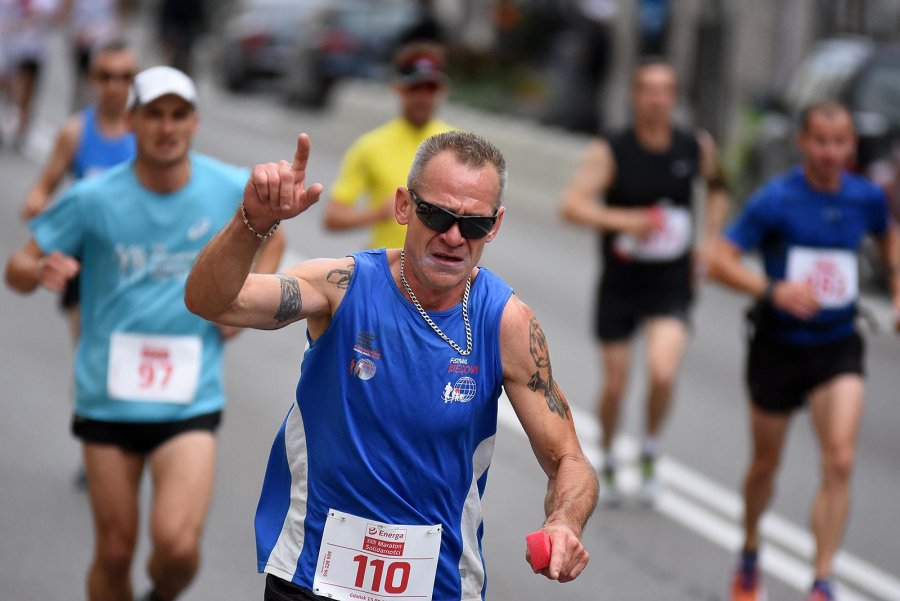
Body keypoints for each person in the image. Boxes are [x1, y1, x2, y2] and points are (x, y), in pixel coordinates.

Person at [185, 130, 599, 600]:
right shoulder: (342, 287)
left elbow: (569, 459)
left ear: (496, 224)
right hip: (312, 575)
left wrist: (564, 521)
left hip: (438, 586)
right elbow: (212, 301)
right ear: (404, 206)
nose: (453, 236)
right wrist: (251, 222)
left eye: (474, 224)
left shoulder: (506, 323)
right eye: (436, 214)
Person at [5, 65, 284, 601]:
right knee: (114, 553)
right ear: (130, 120)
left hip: (189, 396)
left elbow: (272, 236)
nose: (166, 126)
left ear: (195, 122)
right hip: (107, 398)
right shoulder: (93, 197)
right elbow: (17, 264)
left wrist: (240, 303)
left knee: (178, 550)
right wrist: (38, 272)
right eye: (153, 114)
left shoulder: (229, 188)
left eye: (178, 114)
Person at [708, 100, 900, 601]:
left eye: (841, 143)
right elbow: (719, 261)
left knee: (839, 458)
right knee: (766, 464)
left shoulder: (866, 198)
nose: (831, 152)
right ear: (803, 142)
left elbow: (889, 239)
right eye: (822, 141)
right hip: (778, 347)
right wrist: (773, 290)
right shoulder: (776, 200)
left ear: (852, 145)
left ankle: (822, 579)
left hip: (838, 345)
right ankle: (749, 549)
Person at [559, 58, 730, 505]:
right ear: (635, 96)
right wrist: (626, 219)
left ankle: (651, 450)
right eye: (647, 90)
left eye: (665, 90)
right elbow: (572, 206)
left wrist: (710, 242)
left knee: (661, 370)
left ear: (675, 97)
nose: (656, 99)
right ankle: (611, 457)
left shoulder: (695, 145)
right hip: (621, 282)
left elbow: (719, 188)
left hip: (671, 280)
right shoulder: (611, 149)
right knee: (616, 383)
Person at [323, 41, 454, 250]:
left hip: (440, 269)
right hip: (386, 271)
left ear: (442, 90)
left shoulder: (457, 145)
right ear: (399, 88)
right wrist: (377, 214)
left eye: (430, 88)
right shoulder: (370, 146)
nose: (422, 97)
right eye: (415, 87)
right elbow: (332, 218)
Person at [60, 0, 127, 110]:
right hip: (83, 41)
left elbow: (122, 10)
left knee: (102, 79)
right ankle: (81, 110)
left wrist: (118, 29)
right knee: (83, 82)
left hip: (105, 40)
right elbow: (68, 10)